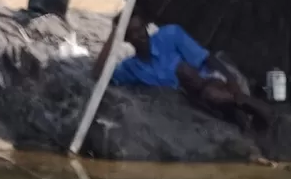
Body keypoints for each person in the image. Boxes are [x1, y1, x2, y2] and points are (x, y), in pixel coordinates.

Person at [103, 15, 266, 127]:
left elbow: (207, 58)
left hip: (209, 81)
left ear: (146, 26)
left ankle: (245, 103)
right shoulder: (130, 67)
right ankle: (242, 108)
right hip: (190, 101)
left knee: (189, 75)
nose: (140, 35)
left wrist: (231, 81)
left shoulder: (170, 34)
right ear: (125, 38)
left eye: (141, 29)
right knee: (219, 105)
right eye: (133, 33)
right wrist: (113, 34)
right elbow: (99, 76)